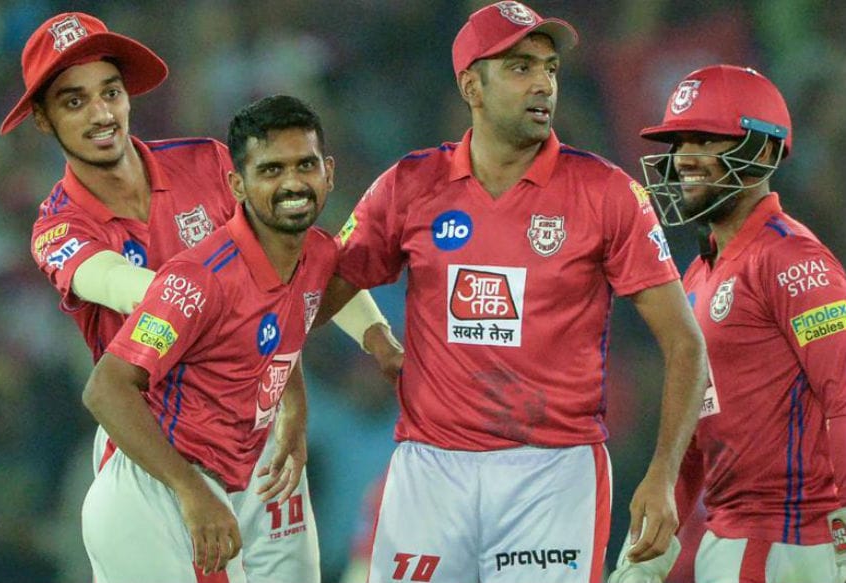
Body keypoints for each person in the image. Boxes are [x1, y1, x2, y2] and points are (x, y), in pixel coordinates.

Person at [317, 2, 708, 582]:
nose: (543, 84)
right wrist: (370, 340)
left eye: (550, 68)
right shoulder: (409, 185)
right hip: (431, 471)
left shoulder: (606, 194)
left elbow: (685, 344)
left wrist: (663, 475)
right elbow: (318, 294)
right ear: (471, 86)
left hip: (552, 475)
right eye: (520, 67)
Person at [3, 12, 398, 582]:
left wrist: (368, 338)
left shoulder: (207, 163)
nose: (100, 114)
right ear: (43, 118)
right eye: (74, 101)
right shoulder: (58, 228)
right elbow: (118, 284)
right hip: (160, 445)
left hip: (257, 430)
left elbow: (303, 262)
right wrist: (218, 295)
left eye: (110, 92)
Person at [80, 93, 343, 581]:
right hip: (157, 498)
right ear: (237, 185)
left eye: (305, 165)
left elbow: (279, 329)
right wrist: (190, 490)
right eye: (271, 170)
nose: (292, 183)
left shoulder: (318, 257)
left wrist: (296, 410)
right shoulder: (200, 278)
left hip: (212, 491)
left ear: (328, 172)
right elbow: (105, 388)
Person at [614, 64, 846, 583]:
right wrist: (642, 561)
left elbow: (844, 393)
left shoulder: (791, 260)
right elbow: (693, 442)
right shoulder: (698, 275)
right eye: (678, 142)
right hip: (736, 539)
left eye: (704, 139)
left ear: (762, 152)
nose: (683, 158)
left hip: (786, 542)